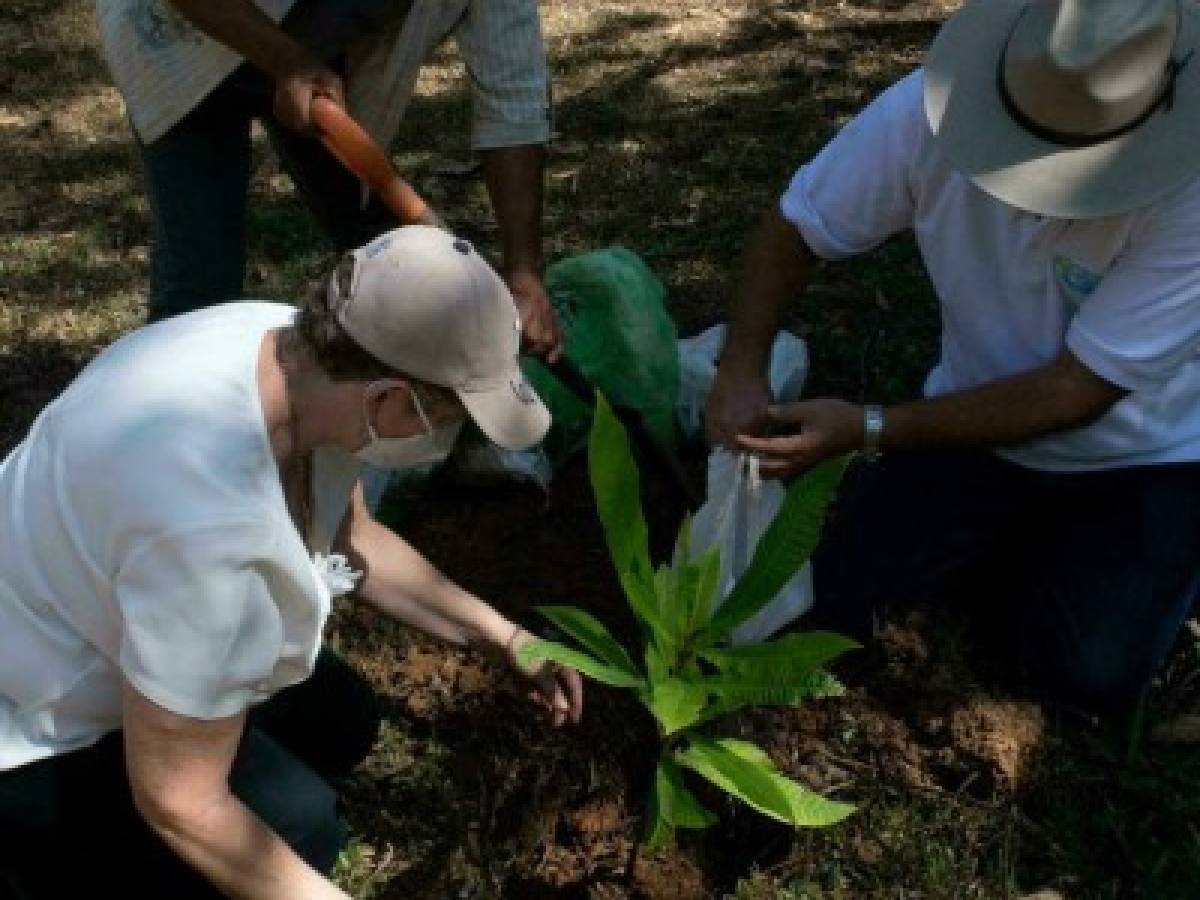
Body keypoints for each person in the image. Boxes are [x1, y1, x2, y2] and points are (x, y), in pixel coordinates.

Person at [0, 225, 583, 899]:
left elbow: (348, 537)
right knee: (305, 831)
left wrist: (503, 637)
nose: (446, 436)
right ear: (389, 399)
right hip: (36, 717)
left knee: (342, 723)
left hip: (91, 601)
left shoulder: (289, 347)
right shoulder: (209, 535)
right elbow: (179, 802)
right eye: (448, 417)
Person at [707, 0, 1200, 713]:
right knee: (838, 608)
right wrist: (739, 368)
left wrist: (872, 428)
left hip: (1146, 455)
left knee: (1086, 679)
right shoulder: (922, 116)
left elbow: (1075, 390)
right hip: (967, 422)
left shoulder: (1189, 188)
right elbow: (796, 227)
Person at [94, 0, 562, 358]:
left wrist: (523, 271)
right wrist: (286, 60)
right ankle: (167, 448)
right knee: (197, 296)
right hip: (178, 44)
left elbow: (513, 93)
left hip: (314, 49)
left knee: (392, 253)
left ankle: (435, 420)